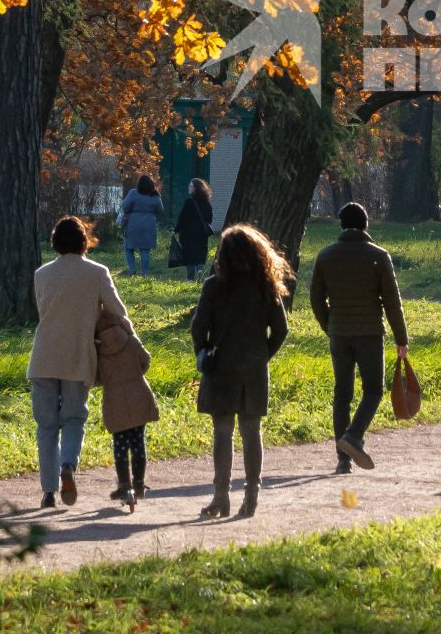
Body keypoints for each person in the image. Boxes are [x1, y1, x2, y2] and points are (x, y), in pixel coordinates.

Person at [190, 224, 291, 519]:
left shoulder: (213, 286)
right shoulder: (265, 287)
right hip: (254, 370)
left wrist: (203, 351)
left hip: (221, 368)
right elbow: (281, 330)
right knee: (251, 431)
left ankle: (221, 495)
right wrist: (263, 354)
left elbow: (198, 327)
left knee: (222, 432)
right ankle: (252, 495)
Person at [26, 216, 126, 509]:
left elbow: (43, 309)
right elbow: (117, 311)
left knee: (46, 426)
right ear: (84, 242)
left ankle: (48, 491)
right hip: (78, 356)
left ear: (55, 242)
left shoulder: (41, 274)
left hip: (44, 355)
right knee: (73, 418)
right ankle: (68, 464)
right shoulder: (97, 273)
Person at [308, 201, 410, 473]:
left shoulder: (326, 256)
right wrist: (401, 338)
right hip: (369, 334)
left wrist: (329, 325)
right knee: (374, 390)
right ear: (366, 224)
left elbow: (315, 298)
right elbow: (392, 301)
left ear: (341, 225)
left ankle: (343, 459)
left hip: (339, 334)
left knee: (342, 394)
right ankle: (353, 436)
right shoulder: (378, 255)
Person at [94, 305, 160, 510]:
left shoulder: (98, 349)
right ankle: (139, 483)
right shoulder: (130, 339)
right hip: (139, 394)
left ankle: (124, 485)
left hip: (115, 400)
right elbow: (146, 360)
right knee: (138, 442)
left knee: (121, 445)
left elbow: (96, 378)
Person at [118, 174, 164, 276]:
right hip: (149, 224)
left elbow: (125, 206)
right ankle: (145, 273)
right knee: (145, 249)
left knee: (128, 247)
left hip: (133, 224)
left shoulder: (133, 193)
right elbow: (161, 210)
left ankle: (132, 269)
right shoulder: (156, 195)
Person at [174, 177, 215, 281]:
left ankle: (190, 278)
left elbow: (182, 218)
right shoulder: (207, 204)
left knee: (189, 255)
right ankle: (200, 270)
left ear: (196, 188)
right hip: (202, 233)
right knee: (201, 252)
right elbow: (209, 219)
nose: (189, 187)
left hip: (188, 233)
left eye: (191, 186)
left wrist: (176, 230)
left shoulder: (189, 202)